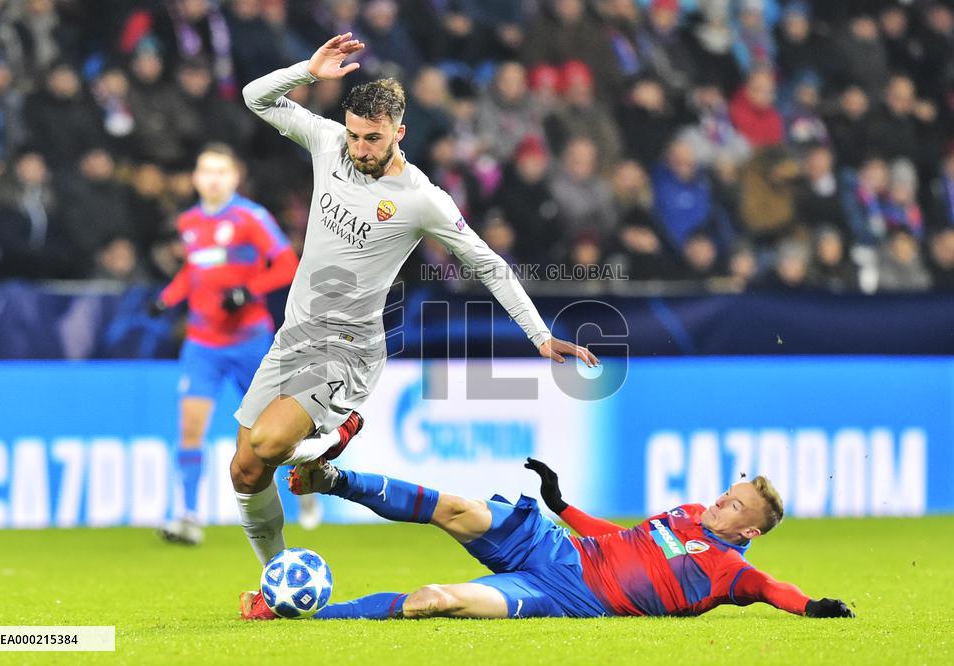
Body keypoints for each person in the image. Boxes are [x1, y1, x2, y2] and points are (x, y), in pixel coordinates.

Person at [234, 33, 597, 581]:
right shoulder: (329, 143)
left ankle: (341, 430)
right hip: (295, 333)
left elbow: (486, 261)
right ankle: (276, 579)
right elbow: (254, 97)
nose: (359, 148)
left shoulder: (422, 199)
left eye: (372, 139)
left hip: (346, 348)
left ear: (399, 133)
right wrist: (307, 72)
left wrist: (539, 335)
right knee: (244, 470)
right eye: (354, 135)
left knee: (269, 441)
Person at [240, 458, 854, 621]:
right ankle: (334, 479)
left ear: (749, 531)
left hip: (561, 595)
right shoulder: (691, 514)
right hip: (557, 546)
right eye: (729, 491)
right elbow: (627, 537)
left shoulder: (731, 573)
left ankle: (301, 618)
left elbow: (774, 587)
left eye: (734, 505)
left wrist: (813, 606)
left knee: (435, 600)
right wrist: (562, 505)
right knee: (454, 508)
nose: (721, 500)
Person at [148, 143, 303, 545]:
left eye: (221, 171)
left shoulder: (251, 218)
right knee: (190, 428)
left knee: (274, 433)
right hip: (202, 344)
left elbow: (287, 265)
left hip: (250, 341)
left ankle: (307, 491)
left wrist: (248, 291)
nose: (213, 178)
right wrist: (167, 297)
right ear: (196, 178)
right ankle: (189, 515)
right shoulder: (189, 222)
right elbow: (194, 272)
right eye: (206, 170)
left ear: (234, 177)